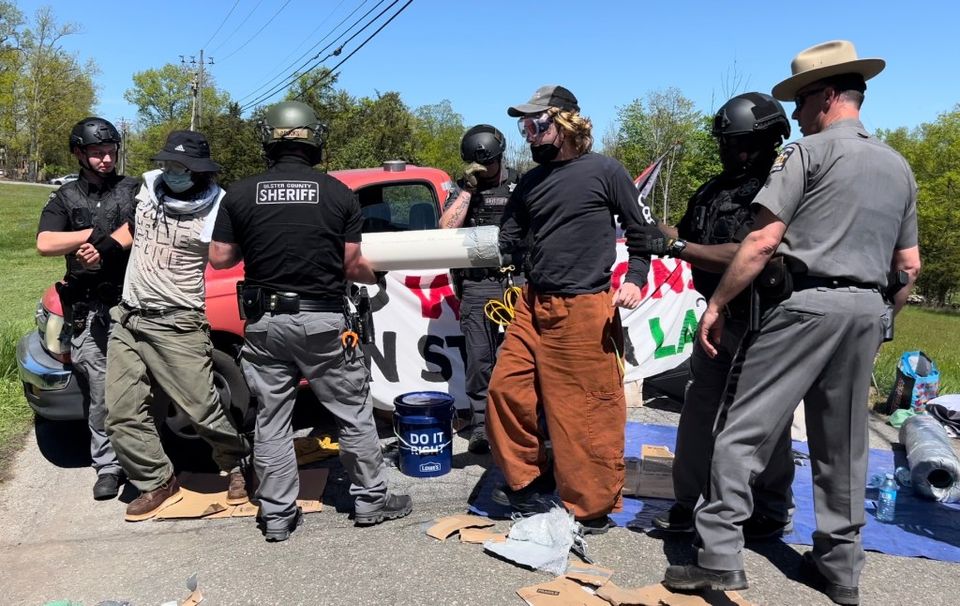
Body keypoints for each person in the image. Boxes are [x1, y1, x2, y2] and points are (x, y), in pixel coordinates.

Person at [663, 41, 921, 606]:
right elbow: (909, 267)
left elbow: (759, 242)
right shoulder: (897, 165)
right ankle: (840, 572)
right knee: (844, 448)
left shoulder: (804, 155)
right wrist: (880, 319)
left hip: (805, 306)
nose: (797, 117)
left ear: (827, 96)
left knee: (741, 432)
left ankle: (718, 560)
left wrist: (715, 304)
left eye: (802, 102)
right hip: (866, 312)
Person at [209, 100, 412, 542]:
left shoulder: (240, 194)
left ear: (269, 139)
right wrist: (375, 276)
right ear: (314, 140)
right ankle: (370, 502)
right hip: (323, 322)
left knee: (273, 419)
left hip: (265, 325)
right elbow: (352, 262)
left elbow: (221, 257)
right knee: (353, 413)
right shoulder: (337, 193)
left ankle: (278, 515)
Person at [487, 85, 660, 534]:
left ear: (563, 123)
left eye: (535, 123)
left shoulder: (605, 171)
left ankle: (591, 506)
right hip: (532, 303)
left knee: (584, 410)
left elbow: (642, 232)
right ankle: (527, 483)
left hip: (585, 307)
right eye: (522, 125)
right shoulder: (529, 181)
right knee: (506, 391)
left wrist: (636, 278)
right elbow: (510, 236)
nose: (527, 133)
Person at [652, 93, 796, 538]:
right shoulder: (714, 189)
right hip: (717, 317)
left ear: (769, 140)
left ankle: (769, 508)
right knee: (698, 410)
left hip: (765, 321)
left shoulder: (780, 190)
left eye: (740, 144)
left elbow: (743, 252)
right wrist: (650, 228)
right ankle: (687, 501)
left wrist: (676, 247)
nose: (730, 153)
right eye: (726, 144)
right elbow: (688, 233)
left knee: (764, 421)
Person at [104, 130, 250, 522]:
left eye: (182, 167)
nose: (173, 171)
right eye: (169, 163)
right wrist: (105, 247)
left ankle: (236, 465)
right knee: (120, 411)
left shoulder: (219, 207)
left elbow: (222, 260)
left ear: (201, 171)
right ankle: (156, 480)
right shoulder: (148, 187)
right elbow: (134, 228)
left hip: (178, 320)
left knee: (201, 407)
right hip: (130, 316)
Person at [36, 117, 140, 501]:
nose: (106, 159)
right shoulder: (64, 198)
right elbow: (45, 242)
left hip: (131, 303)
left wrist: (107, 245)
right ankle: (108, 466)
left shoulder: (133, 189)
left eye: (111, 152)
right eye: (97, 153)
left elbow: (140, 226)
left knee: (138, 389)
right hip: (88, 308)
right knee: (101, 393)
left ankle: (146, 461)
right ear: (79, 153)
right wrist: (86, 236)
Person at [440, 124, 523, 454]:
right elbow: (445, 228)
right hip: (477, 283)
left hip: (517, 281)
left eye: (486, 165)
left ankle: (518, 423)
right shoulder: (462, 189)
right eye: (475, 166)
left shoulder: (521, 184)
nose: (482, 170)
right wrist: (469, 190)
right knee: (479, 360)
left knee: (518, 357)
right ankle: (480, 425)